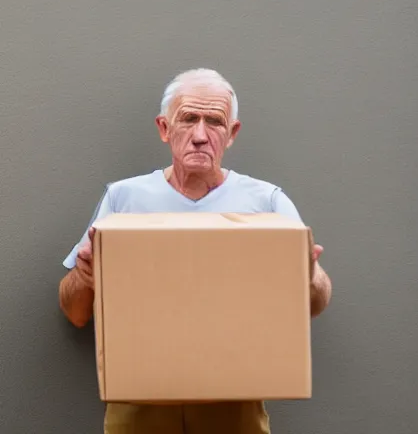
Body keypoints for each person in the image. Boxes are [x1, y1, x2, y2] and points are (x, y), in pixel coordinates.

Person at [58, 68, 332, 434]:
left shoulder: (266, 201)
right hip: (139, 406)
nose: (200, 136)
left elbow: (313, 305)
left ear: (232, 133)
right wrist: (84, 275)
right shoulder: (124, 199)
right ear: (164, 128)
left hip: (235, 405)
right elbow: (75, 313)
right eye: (188, 119)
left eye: (215, 122)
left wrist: (310, 274)